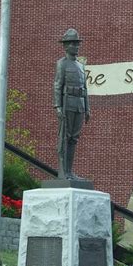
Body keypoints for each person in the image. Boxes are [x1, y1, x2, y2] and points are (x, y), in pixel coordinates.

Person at [53, 28, 90, 180]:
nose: (76, 47)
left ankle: (70, 171)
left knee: (74, 138)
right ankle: (64, 172)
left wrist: (87, 108)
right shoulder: (62, 64)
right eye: (73, 44)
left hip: (79, 105)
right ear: (66, 46)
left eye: (77, 44)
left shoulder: (81, 66)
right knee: (65, 138)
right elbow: (57, 85)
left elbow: (85, 88)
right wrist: (58, 106)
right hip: (67, 103)